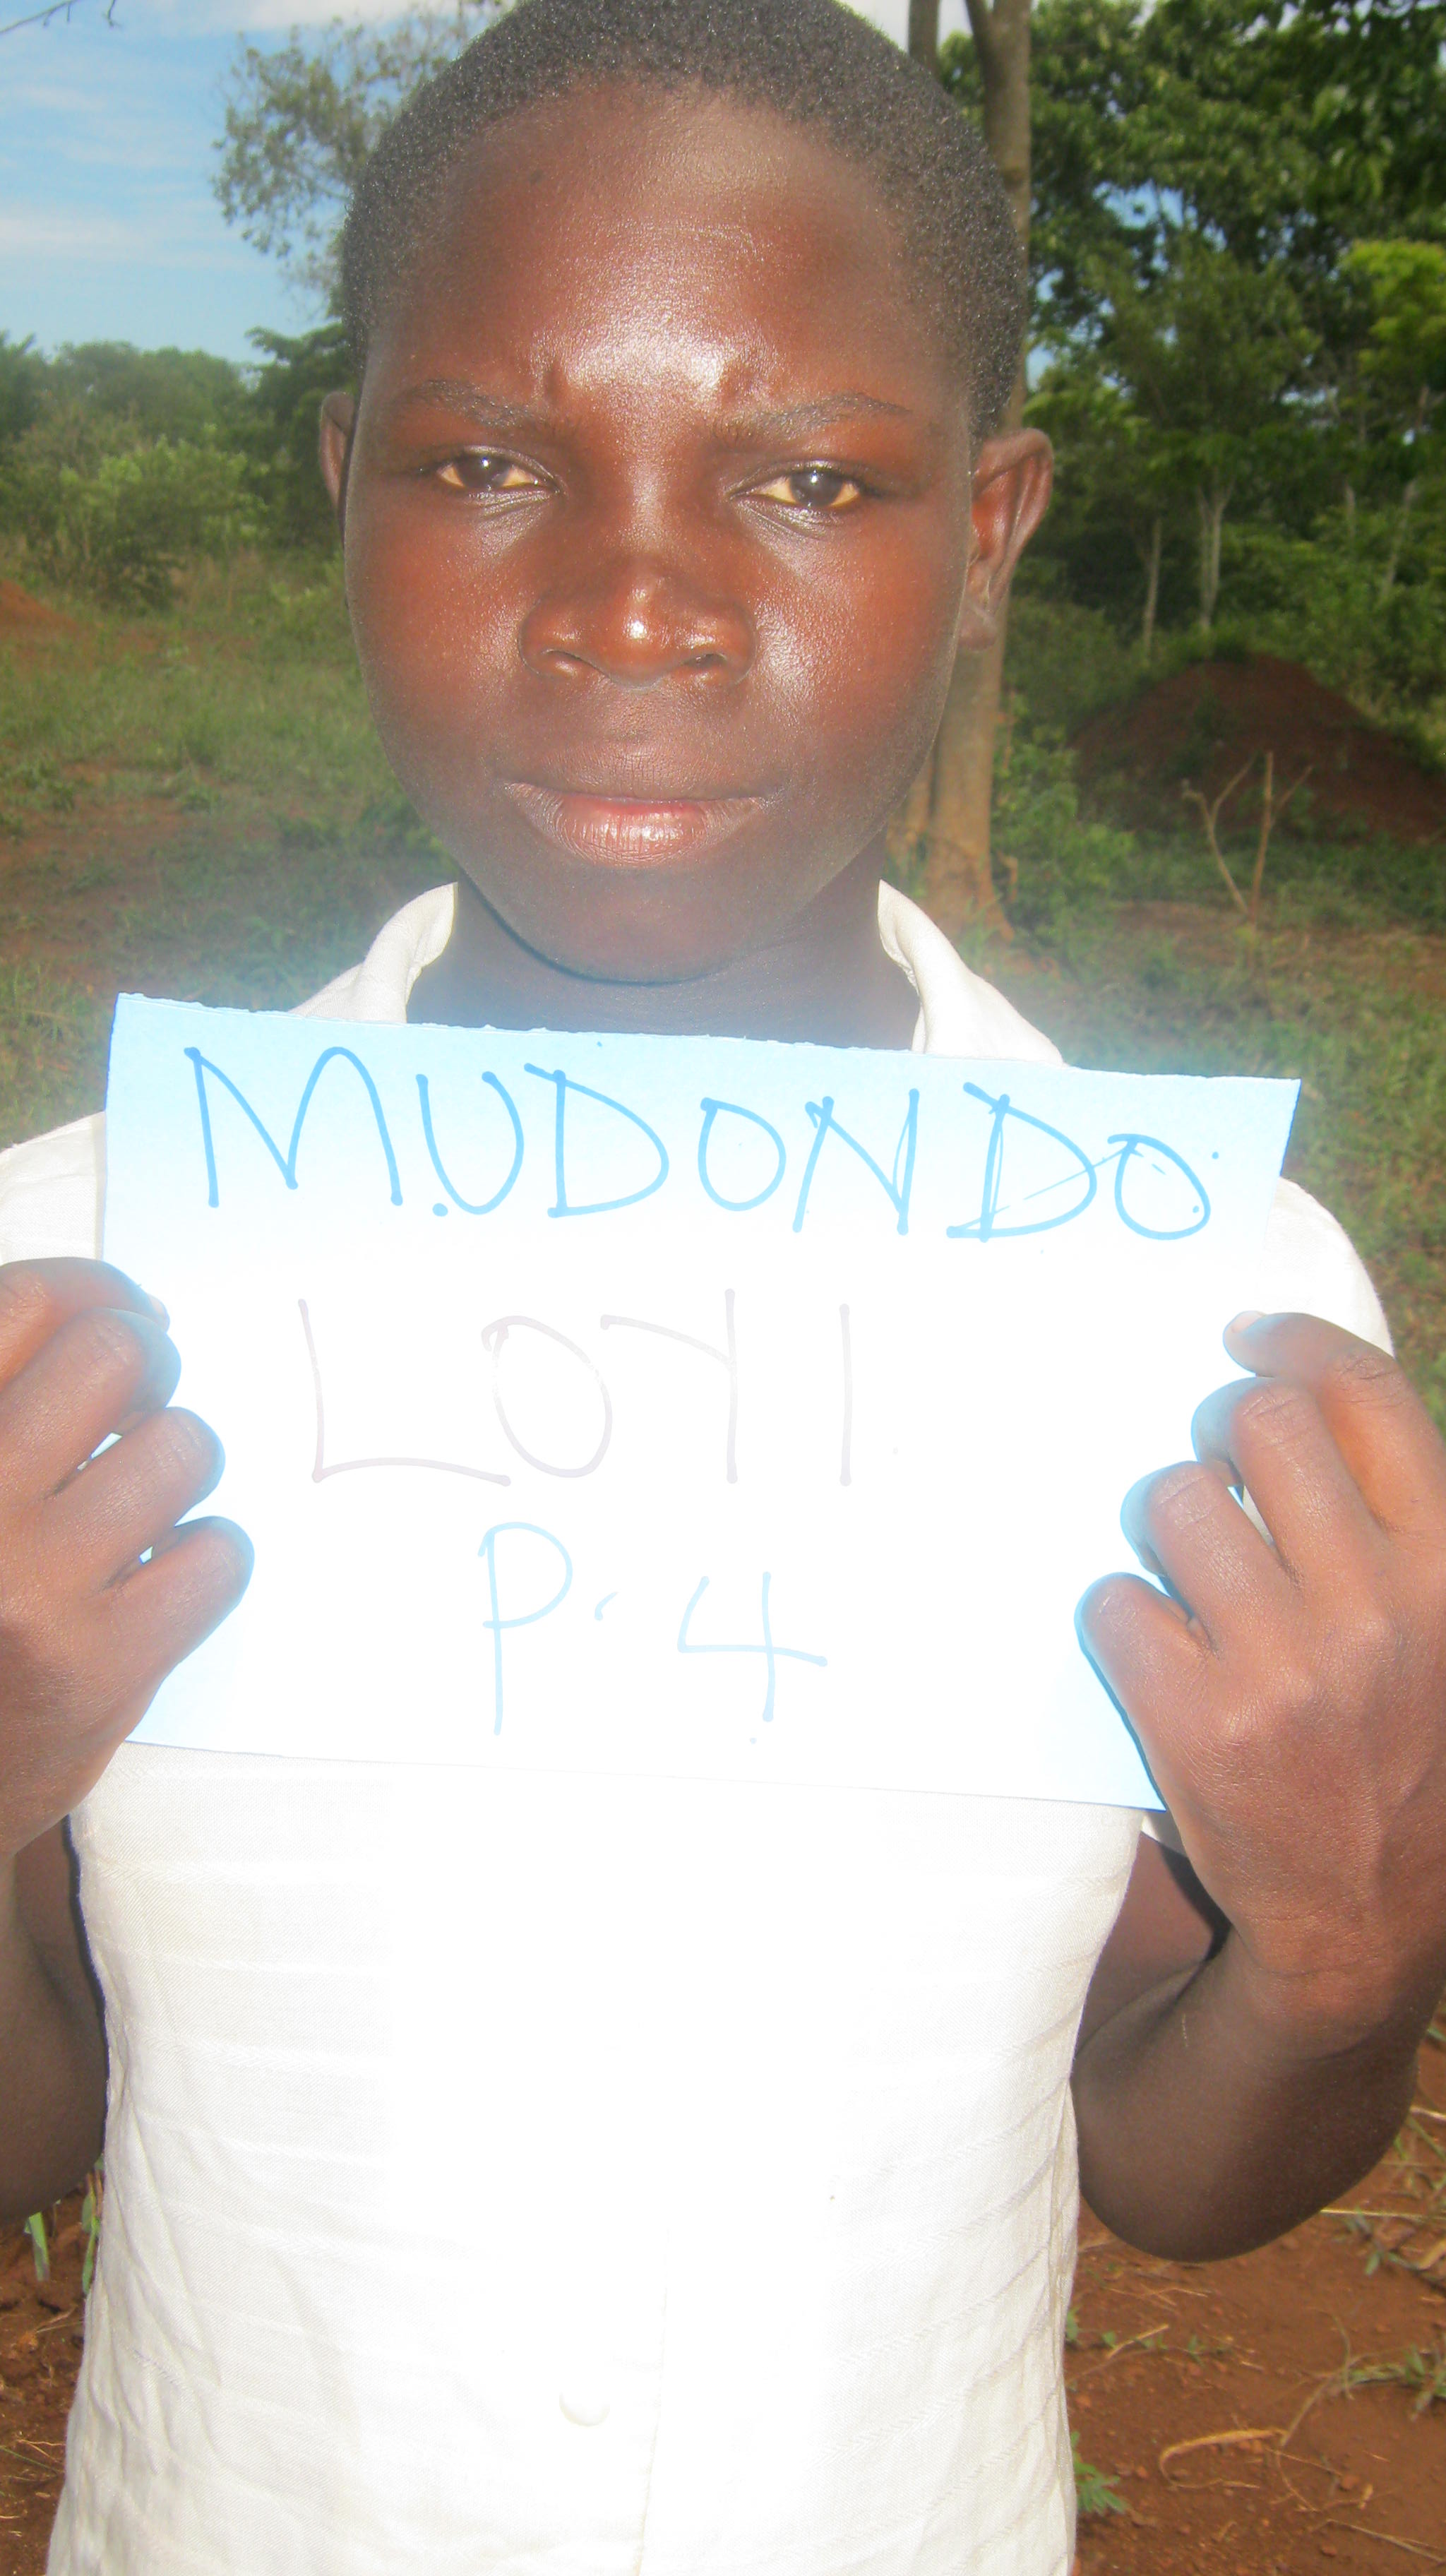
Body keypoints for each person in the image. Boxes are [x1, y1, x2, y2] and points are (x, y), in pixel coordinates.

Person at [1, 3, 1443, 2568]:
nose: (633, 608)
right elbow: (44, 2114)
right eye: (485, 464)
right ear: (346, 487)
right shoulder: (72, 1281)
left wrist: (1345, 1944)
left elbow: (1176, 2159)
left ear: (986, 530)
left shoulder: (1214, 1318)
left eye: (806, 478)